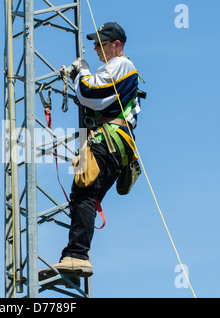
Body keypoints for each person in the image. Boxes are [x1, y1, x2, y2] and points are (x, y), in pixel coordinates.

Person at [39, 22, 142, 280]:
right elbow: (92, 97)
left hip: (110, 140)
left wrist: (82, 73)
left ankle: (77, 255)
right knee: (83, 194)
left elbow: (90, 92)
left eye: (101, 44)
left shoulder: (122, 65)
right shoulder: (113, 67)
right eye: (95, 44)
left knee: (84, 190)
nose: (96, 48)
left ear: (116, 45)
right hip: (113, 143)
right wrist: (81, 78)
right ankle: (76, 254)